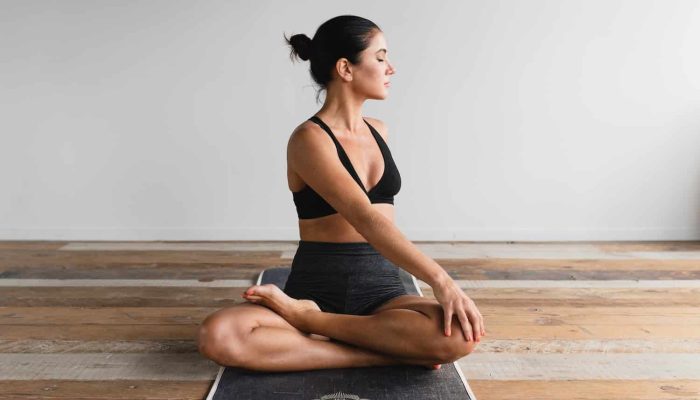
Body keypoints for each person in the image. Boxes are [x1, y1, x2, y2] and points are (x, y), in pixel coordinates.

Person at [197, 15, 485, 372]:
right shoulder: (308, 139)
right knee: (220, 335)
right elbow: (364, 217)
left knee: (461, 334)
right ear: (346, 68)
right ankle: (378, 348)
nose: (390, 68)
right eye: (380, 58)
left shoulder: (380, 130)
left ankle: (315, 326)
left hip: (382, 292)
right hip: (314, 290)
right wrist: (441, 280)